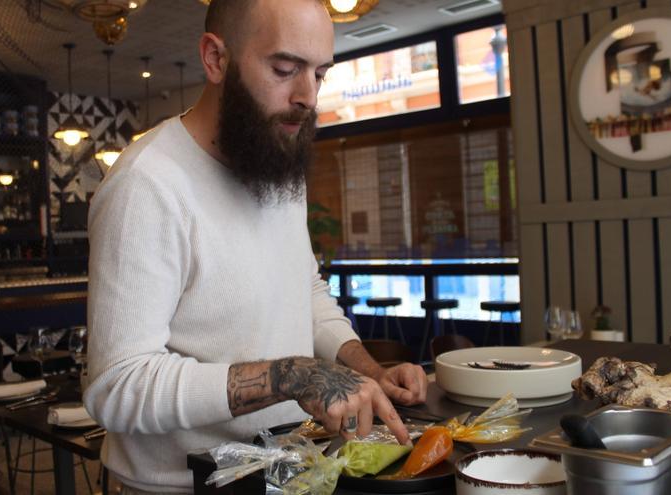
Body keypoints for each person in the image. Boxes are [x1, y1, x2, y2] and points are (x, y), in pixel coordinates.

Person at [83, 0, 428, 492]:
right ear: (215, 59)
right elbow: (117, 385)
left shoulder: (272, 160)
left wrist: (369, 372)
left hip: (282, 468)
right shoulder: (148, 185)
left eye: (320, 74)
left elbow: (302, 289)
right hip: (178, 486)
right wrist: (289, 376)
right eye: (285, 69)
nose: (307, 96)